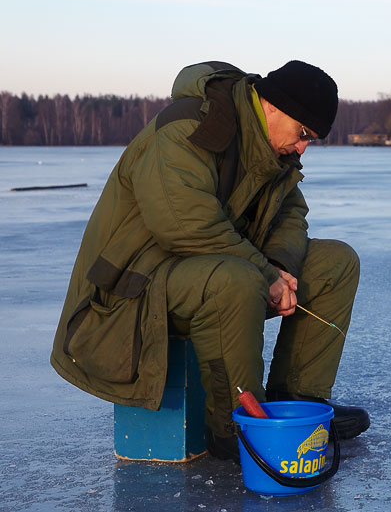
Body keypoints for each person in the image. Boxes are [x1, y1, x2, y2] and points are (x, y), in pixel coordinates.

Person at [50, 60, 369, 460]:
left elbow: (291, 213)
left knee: (335, 263)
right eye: (303, 133)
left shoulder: (271, 150)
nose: (303, 147)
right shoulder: (189, 127)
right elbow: (184, 223)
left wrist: (280, 265)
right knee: (236, 280)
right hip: (130, 290)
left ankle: (296, 402)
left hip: (198, 271)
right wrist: (266, 274)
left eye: (312, 140)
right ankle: (234, 427)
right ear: (271, 106)